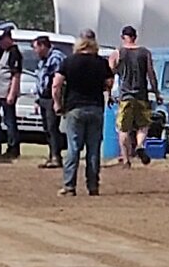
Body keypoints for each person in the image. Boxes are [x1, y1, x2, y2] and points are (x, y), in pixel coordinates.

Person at [52, 33, 113, 196]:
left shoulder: (69, 61)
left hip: (74, 108)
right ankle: (93, 186)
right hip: (96, 107)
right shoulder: (101, 62)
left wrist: (58, 103)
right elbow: (109, 83)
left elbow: (56, 85)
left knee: (73, 147)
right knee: (93, 149)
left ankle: (69, 185)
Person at [109, 25, 162, 167]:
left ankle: (126, 159)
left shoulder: (117, 53)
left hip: (125, 96)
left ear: (122, 37)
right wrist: (156, 93)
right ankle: (139, 145)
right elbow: (151, 74)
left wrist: (108, 93)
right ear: (135, 37)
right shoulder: (145, 53)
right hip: (141, 95)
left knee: (123, 128)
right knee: (143, 125)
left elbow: (110, 75)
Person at [33, 35, 66, 168]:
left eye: (36, 47)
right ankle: (51, 155)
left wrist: (57, 99)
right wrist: (37, 99)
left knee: (53, 127)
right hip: (43, 98)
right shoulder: (43, 60)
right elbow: (40, 79)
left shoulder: (56, 58)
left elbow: (58, 80)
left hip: (52, 97)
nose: (35, 51)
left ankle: (56, 157)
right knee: (47, 128)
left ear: (42, 46)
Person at [0, 29, 24, 159]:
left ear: (8, 39)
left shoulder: (14, 53)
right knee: (5, 120)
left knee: (10, 121)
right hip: (1, 92)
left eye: (1, 40)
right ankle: (9, 146)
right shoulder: (5, 52)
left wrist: (12, 93)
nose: (0, 43)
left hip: (7, 93)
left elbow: (16, 75)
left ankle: (13, 147)